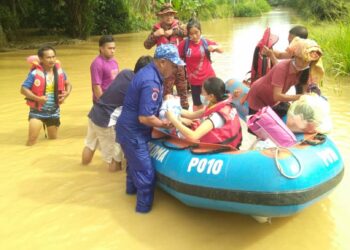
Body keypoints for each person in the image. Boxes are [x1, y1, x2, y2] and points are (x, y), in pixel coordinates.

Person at [116, 44, 185, 213]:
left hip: (128, 129)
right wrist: (164, 124)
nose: (175, 69)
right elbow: (145, 117)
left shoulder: (148, 71)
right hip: (134, 133)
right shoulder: (151, 82)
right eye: (173, 65)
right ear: (162, 62)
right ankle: (142, 212)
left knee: (133, 168)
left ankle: (130, 195)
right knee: (146, 175)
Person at [82, 56, 153, 172]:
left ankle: (82, 169)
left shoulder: (125, 73)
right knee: (115, 161)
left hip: (95, 113)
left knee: (90, 145)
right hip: (107, 121)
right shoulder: (136, 87)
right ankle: (111, 181)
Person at [247, 37, 323, 117]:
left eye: (308, 61)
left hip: (273, 99)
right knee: (258, 124)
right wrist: (301, 97)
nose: (304, 63)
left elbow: (304, 91)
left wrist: (307, 97)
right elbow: (277, 96)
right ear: (295, 56)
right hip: (259, 97)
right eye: (302, 59)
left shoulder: (305, 71)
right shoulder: (282, 67)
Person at [166, 77, 242, 149]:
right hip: (231, 140)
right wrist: (173, 107)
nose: (201, 95)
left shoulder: (216, 117)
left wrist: (173, 120)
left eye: (202, 92)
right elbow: (191, 115)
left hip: (222, 147)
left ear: (211, 96)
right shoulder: (221, 102)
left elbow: (194, 136)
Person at [20, 45, 72, 146]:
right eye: (48, 57)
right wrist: (37, 98)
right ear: (41, 59)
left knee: (52, 140)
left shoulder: (60, 72)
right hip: (37, 113)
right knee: (31, 141)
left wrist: (67, 93)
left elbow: (68, 84)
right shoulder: (35, 74)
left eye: (53, 57)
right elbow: (23, 89)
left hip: (54, 112)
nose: (52, 60)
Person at [144, 3, 189, 109]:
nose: (169, 17)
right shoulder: (157, 29)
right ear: (161, 16)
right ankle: (167, 113)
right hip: (164, 67)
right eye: (166, 15)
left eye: (171, 15)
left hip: (178, 65)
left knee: (183, 91)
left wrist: (173, 31)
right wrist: (155, 35)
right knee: (166, 92)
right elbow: (146, 45)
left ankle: (185, 112)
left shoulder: (179, 26)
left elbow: (188, 32)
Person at [178, 18, 223, 111]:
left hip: (209, 79)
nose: (194, 36)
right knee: (197, 104)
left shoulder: (205, 42)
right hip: (194, 81)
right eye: (191, 34)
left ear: (200, 31)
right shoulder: (184, 44)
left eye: (196, 32)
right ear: (188, 34)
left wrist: (214, 47)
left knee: (213, 103)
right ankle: (199, 123)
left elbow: (221, 49)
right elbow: (175, 55)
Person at [90, 35, 119, 103]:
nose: (112, 51)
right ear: (101, 49)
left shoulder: (115, 62)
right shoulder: (97, 64)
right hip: (102, 102)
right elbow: (96, 87)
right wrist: (104, 104)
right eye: (109, 48)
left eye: (114, 48)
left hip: (113, 100)